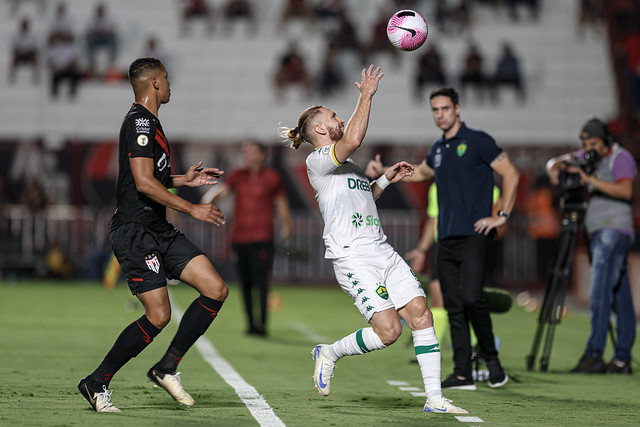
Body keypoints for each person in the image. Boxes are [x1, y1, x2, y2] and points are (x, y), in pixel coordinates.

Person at [278, 66, 468, 414]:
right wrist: (365, 94)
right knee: (389, 331)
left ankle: (435, 398)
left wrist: (385, 180)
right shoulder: (318, 160)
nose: (338, 119)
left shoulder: (348, 166)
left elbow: (362, 199)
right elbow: (351, 138)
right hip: (353, 257)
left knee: (421, 315)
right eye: (333, 116)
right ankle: (330, 352)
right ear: (321, 128)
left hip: (382, 250)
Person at [77, 57, 229, 413]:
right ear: (155, 83)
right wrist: (192, 208)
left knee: (215, 288)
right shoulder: (141, 121)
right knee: (158, 315)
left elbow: (143, 178)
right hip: (135, 231)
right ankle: (97, 381)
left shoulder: (149, 122)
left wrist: (183, 180)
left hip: (157, 228)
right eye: (166, 78)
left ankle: (166, 367)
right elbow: (144, 184)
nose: (170, 83)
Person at [367, 86, 519, 390]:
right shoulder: (438, 148)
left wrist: (501, 217)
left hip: (475, 235)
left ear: (458, 109)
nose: (440, 115)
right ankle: (462, 373)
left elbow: (511, 174)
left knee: (471, 299)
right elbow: (421, 172)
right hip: (445, 238)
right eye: (435, 110)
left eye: (445, 109)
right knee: (453, 306)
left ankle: (493, 364)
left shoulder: (478, 140)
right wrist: (384, 170)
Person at [545, 117, 637, 374]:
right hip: (600, 231)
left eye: (594, 142)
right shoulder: (588, 156)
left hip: (614, 230)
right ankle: (621, 360)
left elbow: (626, 191)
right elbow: (556, 162)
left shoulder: (621, 158)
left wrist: (589, 180)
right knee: (621, 297)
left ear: (606, 140)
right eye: (585, 143)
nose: (589, 147)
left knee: (599, 294)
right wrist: (553, 167)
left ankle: (594, 353)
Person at [207, 141, 293, 336]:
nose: (247, 155)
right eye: (245, 151)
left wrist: (288, 226)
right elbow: (222, 192)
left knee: (261, 281)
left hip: (262, 236)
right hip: (239, 236)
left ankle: (262, 324)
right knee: (244, 282)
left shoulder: (272, 176)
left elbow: (281, 203)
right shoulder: (237, 174)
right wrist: (207, 203)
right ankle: (250, 323)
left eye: (252, 151)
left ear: (263, 154)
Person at [85, 3, 119, 75]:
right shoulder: (91, 18)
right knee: (88, 40)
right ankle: (91, 61)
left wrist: (103, 32)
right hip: (95, 38)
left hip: (106, 38)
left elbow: (113, 31)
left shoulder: (110, 18)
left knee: (114, 41)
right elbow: (88, 31)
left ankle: (112, 60)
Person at [9, 18, 40, 84]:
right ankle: (12, 76)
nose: (24, 26)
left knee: (34, 58)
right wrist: (19, 52)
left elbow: (35, 47)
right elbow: (13, 46)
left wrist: (27, 51)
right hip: (19, 54)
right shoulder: (15, 35)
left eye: (25, 25)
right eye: (23, 25)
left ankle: (35, 76)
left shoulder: (33, 35)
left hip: (29, 54)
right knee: (14, 58)